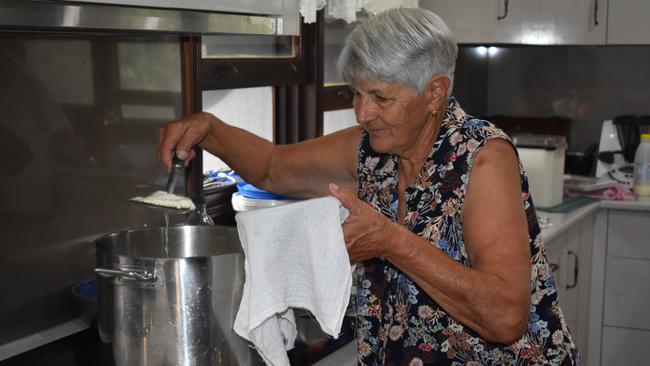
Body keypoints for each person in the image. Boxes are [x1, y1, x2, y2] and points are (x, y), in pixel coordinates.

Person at [158, 8, 581, 365]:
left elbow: (506, 316)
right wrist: (210, 130)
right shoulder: (373, 149)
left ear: (434, 92)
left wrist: (390, 242)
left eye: (380, 96)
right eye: (356, 93)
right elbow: (273, 168)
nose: (362, 112)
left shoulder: (482, 158)